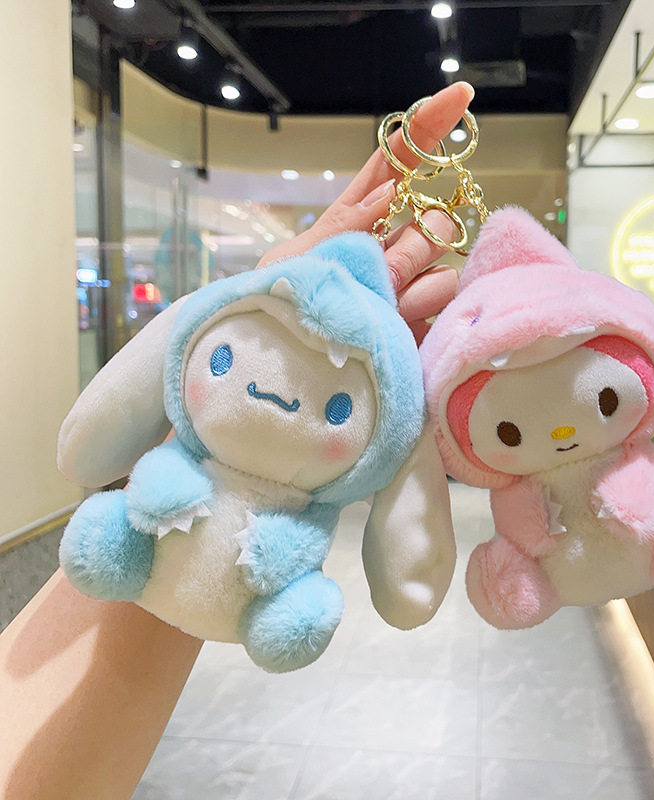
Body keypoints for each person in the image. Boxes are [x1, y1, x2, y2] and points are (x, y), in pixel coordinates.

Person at [0, 81, 475, 800]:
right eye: (221, 358)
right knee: (129, 526)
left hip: (254, 571)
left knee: (271, 585)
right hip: (172, 542)